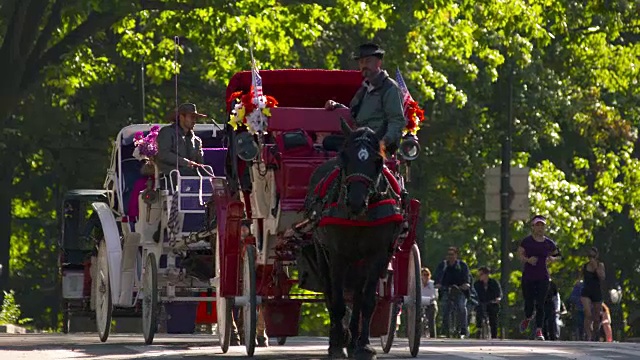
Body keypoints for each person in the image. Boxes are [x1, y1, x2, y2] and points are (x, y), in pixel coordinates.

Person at [324, 42, 406, 154]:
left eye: (368, 61)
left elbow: (396, 121)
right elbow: (354, 113)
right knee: (328, 142)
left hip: (375, 141)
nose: (363, 65)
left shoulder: (389, 88)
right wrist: (337, 106)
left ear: (378, 62)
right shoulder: (364, 89)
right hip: (359, 139)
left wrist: (384, 142)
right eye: (361, 62)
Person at [517, 215, 561, 340]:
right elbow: (519, 255)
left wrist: (552, 259)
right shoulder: (527, 241)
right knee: (529, 302)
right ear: (533, 227)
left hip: (543, 276)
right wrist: (527, 259)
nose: (540, 228)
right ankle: (527, 318)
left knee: (541, 303)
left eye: (542, 225)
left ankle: (539, 330)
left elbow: (558, 255)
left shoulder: (549, 243)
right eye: (538, 225)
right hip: (529, 276)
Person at [156, 103, 207, 178]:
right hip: (170, 175)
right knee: (188, 173)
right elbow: (163, 154)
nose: (194, 121)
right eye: (192, 117)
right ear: (181, 117)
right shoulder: (167, 132)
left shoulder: (197, 141)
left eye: (195, 118)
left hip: (189, 173)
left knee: (207, 171)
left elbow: (200, 163)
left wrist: (201, 167)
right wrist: (186, 162)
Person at [434, 246, 471, 338]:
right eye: (449, 254)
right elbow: (437, 278)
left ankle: (463, 330)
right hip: (446, 289)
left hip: (460, 290)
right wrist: (438, 284)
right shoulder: (443, 265)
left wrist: (465, 285)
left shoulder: (462, 265)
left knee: (461, 307)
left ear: (456, 255)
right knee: (445, 307)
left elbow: (467, 278)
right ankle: (445, 329)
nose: (450, 256)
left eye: (452, 254)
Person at [580, 246, 606, 341]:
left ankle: (595, 333)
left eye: (593, 256)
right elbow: (580, 279)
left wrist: (595, 267)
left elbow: (602, 277)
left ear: (597, 256)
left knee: (596, 317)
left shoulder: (600, 265)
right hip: (586, 291)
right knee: (588, 314)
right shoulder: (584, 266)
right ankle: (588, 335)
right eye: (589, 256)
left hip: (596, 291)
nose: (591, 258)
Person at [473, 266, 501, 339]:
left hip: (491, 303)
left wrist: (498, 299)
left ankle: (494, 335)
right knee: (479, 311)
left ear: (487, 274)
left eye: (481, 274)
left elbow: (499, 293)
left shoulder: (494, 283)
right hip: (481, 303)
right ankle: (479, 329)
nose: (479, 276)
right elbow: (473, 294)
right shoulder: (477, 284)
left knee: (493, 316)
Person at [421, 267, 438, 338]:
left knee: (431, 319)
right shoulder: (417, 284)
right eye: (424, 274)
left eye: (427, 274)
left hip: (430, 303)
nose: (425, 276)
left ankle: (433, 335)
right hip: (420, 303)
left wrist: (431, 299)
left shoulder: (432, 284)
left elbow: (436, 295)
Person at [568, 273, 585, 340]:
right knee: (580, 323)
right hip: (579, 308)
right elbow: (572, 297)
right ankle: (581, 336)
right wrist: (579, 300)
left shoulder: (591, 285)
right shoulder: (579, 285)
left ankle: (590, 336)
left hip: (590, 308)